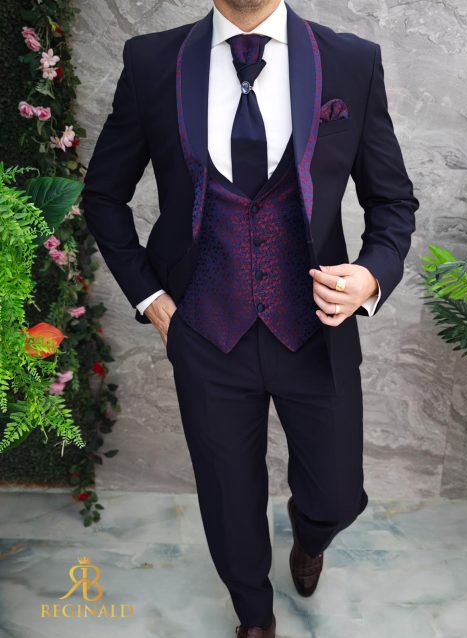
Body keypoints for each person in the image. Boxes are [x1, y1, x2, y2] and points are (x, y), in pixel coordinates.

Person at [81, 0, 419, 635]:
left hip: (315, 327)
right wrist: (151, 299)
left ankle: (311, 535)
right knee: (228, 498)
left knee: (337, 495)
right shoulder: (153, 62)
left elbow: (393, 200)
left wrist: (371, 275)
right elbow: (103, 194)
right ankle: (253, 615)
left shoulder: (350, 61)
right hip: (206, 326)